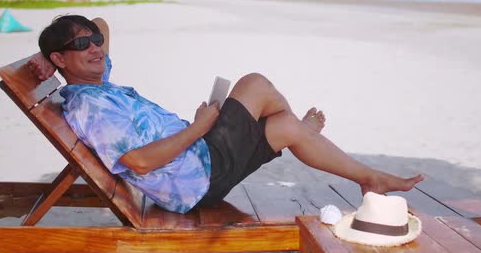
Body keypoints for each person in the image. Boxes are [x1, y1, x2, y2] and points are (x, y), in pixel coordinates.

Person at [29, 15, 424, 214]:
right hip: (195, 176)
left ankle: (363, 174)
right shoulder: (90, 105)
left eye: (95, 42)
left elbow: (101, 25)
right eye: (82, 44)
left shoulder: (96, 82)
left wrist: (54, 58)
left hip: (197, 161)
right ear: (62, 57)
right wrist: (200, 127)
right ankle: (301, 133)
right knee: (255, 84)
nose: (96, 46)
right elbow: (138, 161)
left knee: (281, 124)